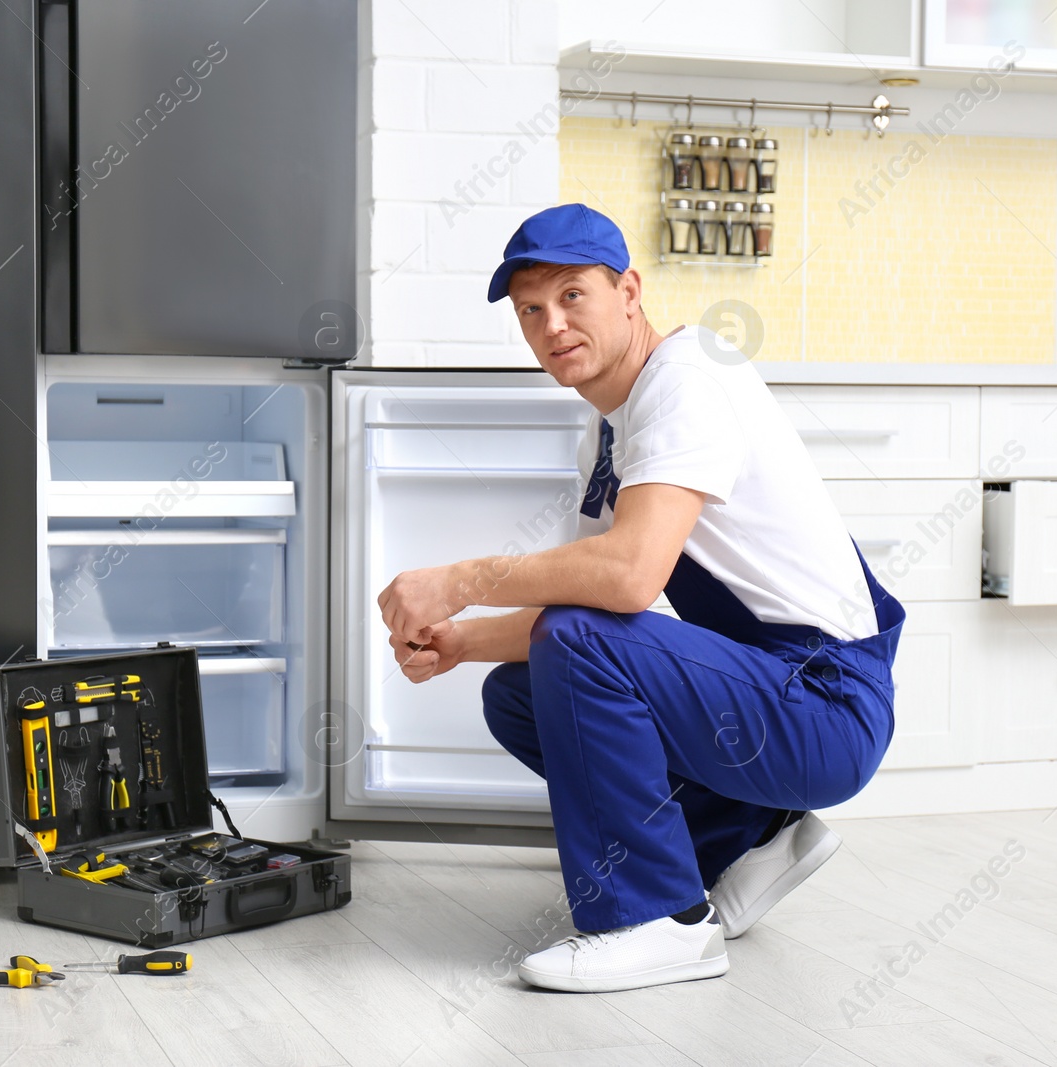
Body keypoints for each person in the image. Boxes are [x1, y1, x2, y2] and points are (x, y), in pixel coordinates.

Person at [376, 203, 905, 994]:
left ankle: (656, 919)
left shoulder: (686, 379)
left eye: (571, 296)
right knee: (519, 696)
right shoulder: (614, 429)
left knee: (576, 645)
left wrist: (455, 581)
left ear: (629, 290)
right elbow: (593, 615)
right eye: (530, 310)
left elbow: (625, 581)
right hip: (774, 691)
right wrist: (461, 639)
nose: (551, 324)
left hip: (825, 703)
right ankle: (749, 836)